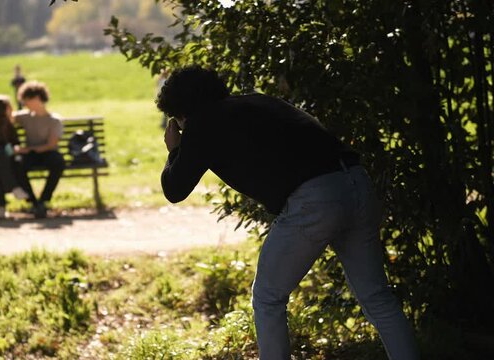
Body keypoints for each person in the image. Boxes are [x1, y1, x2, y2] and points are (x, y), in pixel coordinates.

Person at [157, 66, 420, 360]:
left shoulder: (202, 123)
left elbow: (175, 189)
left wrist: (174, 150)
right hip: (357, 181)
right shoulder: (260, 101)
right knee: (377, 296)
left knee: (268, 297)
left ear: (183, 113)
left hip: (315, 199)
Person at [13, 80, 65, 219]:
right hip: (31, 154)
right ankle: (34, 203)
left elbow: (51, 145)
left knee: (58, 162)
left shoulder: (54, 120)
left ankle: (44, 200)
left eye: (26, 100)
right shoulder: (25, 116)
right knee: (17, 165)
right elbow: (7, 116)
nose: (25, 104)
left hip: (47, 152)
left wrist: (26, 149)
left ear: (36, 99)